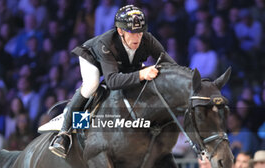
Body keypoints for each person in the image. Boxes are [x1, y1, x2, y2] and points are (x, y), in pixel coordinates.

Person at [49, 5, 176, 158]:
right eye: (132, 32)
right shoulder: (106, 43)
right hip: (93, 59)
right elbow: (112, 82)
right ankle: (64, 133)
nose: (137, 37)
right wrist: (141, 74)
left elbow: (171, 65)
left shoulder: (148, 40)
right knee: (92, 85)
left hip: (121, 63)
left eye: (140, 32)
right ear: (120, 31)